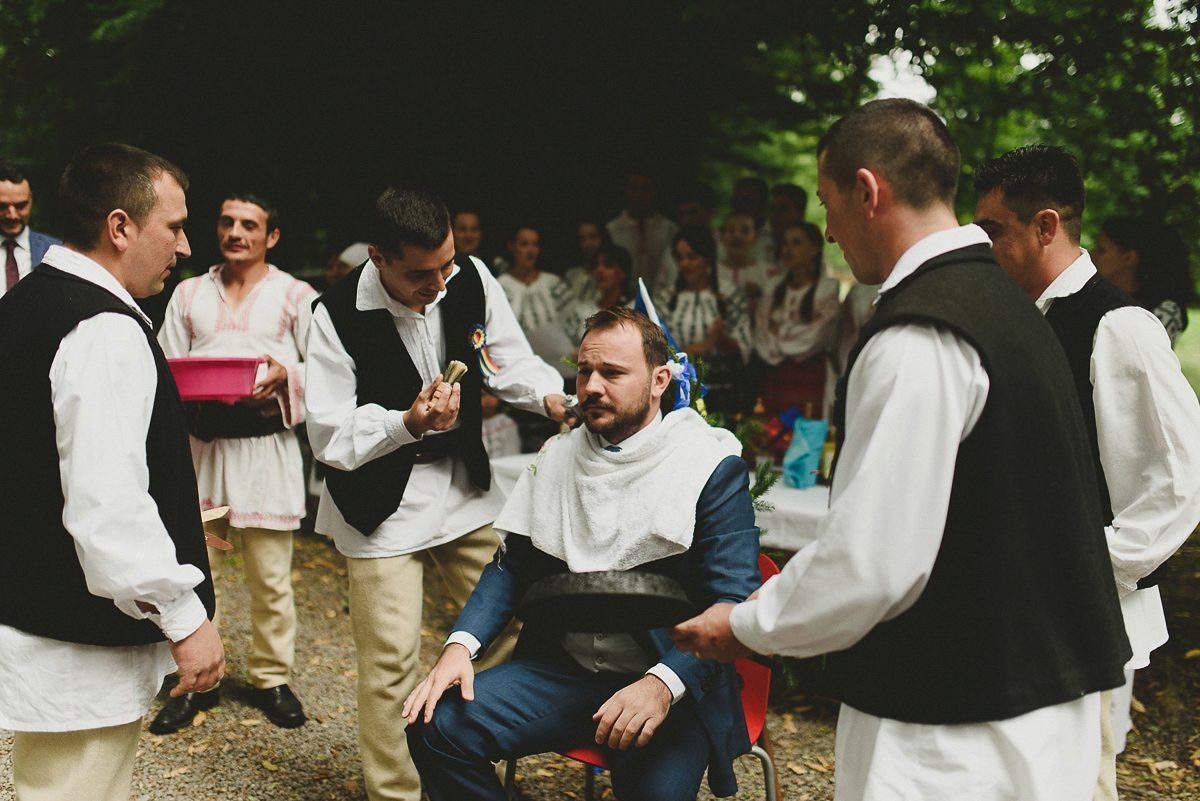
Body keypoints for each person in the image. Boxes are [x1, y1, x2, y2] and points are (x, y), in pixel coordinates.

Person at [671, 99, 1132, 801]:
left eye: (828, 204)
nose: (826, 230)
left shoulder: (919, 332)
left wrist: (747, 624)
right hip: (1043, 706)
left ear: (867, 190)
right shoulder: (1012, 307)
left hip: (954, 732)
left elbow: (872, 561)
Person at [403, 307, 761, 801]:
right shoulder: (558, 456)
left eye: (612, 373)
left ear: (659, 381)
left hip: (667, 679)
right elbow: (513, 565)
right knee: (435, 727)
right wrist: (459, 647)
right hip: (564, 672)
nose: (591, 386)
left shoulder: (709, 465)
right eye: (585, 371)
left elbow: (734, 600)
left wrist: (660, 686)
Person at [304, 186, 570, 801]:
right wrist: (405, 423)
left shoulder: (470, 277)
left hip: (460, 485)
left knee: (513, 619)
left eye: (447, 264)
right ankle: (395, 792)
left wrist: (550, 396)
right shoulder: (333, 313)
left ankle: (464, 754)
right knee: (390, 662)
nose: (441, 282)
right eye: (422, 274)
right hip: (378, 504)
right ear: (377, 256)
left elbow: (506, 362)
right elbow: (329, 433)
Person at [973, 144, 1200, 800]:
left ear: (1047, 225)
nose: (983, 245)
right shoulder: (1021, 315)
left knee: (1075, 784)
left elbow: (1183, 478)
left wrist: (1094, 566)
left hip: (1090, 616)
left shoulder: (1121, 326)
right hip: (1019, 612)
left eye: (995, 230)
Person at [0, 143, 223, 801]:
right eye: (174, 226)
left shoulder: (23, 304)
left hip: (35, 619)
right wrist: (185, 617)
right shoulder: (103, 329)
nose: (184, 247)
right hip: (78, 644)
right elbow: (106, 505)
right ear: (121, 227)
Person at [154, 191, 316, 732]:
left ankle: (271, 678)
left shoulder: (297, 295)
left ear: (271, 236)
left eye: (250, 224)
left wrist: (284, 374)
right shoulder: (187, 292)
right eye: (227, 222)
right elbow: (164, 367)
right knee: (199, 571)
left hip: (265, 448)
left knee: (271, 578)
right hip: (205, 450)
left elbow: (328, 370)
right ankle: (199, 679)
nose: (236, 232)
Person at [657, 225, 753, 415]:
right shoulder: (666, 298)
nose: (685, 263)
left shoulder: (729, 294)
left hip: (722, 390)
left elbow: (744, 348)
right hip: (676, 391)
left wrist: (720, 339)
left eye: (692, 256)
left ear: (708, 257)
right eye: (679, 257)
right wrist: (702, 345)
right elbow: (656, 351)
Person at [754, 221, 841, 417]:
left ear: (814, 249)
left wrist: (780, 332)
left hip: (810, 376)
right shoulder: (773, 285)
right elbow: (761, 331)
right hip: (775, 376)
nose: (788, 249)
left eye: (796, 243)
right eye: (785, 243)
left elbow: (815, 337)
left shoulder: (827, 288)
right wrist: (786, 335)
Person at [1091, 215, 1198, 346]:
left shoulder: (1165, 310)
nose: (1091, 254)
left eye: (1101, 250)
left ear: (1129, 258)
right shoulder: (1099, 296)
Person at [606, 170, 680, 292]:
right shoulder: (612, 229)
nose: (638, 196)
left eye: (645, 190)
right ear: (626, 191)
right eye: (633, 189)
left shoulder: (669, 229)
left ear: (654, 192)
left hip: (662, 295)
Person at [0, 158, 61, 297]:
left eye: (20, 206)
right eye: (2, 206)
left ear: (31, 199)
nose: (12, 215)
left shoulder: (55, 250)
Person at [561, 242, 632, 345]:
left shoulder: (635, 308)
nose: (599, 270)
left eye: (608, 265)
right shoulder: (582, 310)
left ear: (622, 272)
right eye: (595, 265)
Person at [717, 212, 777, 311]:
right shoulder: (709, 273)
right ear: (722, 236)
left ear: (755, 238)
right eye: (731, 230)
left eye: (745, 231)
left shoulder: (769, 273)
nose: (737, 236)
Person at [562, 219, 608, 302]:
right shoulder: (571, 275)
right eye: (582, 239)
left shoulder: (610, 275)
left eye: (592, 237)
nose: (587, 244)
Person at [766, 183, 808, 262]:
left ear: (800, 214)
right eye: (772, 209)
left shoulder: (809, 248)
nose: (776, 215)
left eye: (783, 209)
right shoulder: (753, 241)